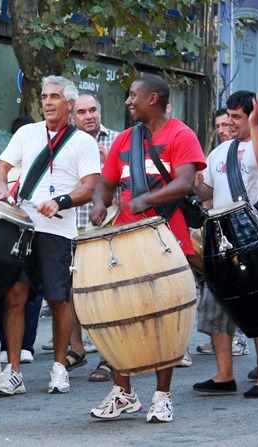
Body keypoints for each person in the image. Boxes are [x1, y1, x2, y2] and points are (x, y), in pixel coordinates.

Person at [88, 74, 206, 423]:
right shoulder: (124, 139)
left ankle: (162, 396)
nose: (128, 101)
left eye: (134, 96)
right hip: (125, 239)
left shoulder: (181, 135)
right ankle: (123, 392)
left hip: (167, 239)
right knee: (116, 316)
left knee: (163, 320)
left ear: (153, 99)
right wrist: (99, 204)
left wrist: (147, 199)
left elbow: (186, 183)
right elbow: (105, 183)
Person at [0, 75, 100, 396]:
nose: (48, 102)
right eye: (44, 96)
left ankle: (59, 368)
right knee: (14, 297)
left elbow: (89, 186)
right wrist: (0, 186)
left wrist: (61, 201)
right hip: (22, 227)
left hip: (59, 231)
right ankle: (13, 371)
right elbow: (1, 168)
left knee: (58, 300)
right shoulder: (27, 133)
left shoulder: (83, 142)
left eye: (55, 97)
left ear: (69, 104)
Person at [193, 91, 258, 399]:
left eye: (237, 117)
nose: (230, 123)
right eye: (228, 116)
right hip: (225, 237)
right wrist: (192, 180)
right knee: (215, 302)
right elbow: (208, 188)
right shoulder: (220, 152)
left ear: (251, 116)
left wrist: (257, 126)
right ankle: (224, 375)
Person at [69, 92, 120, 381]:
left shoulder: (117, 140)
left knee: (105, 294)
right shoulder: (65, 142)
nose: (88, 116)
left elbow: (128, 180)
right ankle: (77, 349)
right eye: (82, 112)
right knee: (73, 292)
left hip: (106, 226)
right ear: (72, 116)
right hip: (71, 225)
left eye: (93, 110)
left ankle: (108, 356)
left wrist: (107, 161)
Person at [196, 107, 249, 358]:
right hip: (221, 232)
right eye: (217, 126)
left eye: (225, 125)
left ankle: (241, 339)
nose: (221, 130)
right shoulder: (215, 155)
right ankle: (222, 343)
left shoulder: (253, 149)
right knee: (218, 290)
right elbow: (207, 195)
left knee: (244, 291)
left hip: (249, 232)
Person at [0, 115, 42, 365]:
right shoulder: (4, 168)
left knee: (34, 294)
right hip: (10, 235)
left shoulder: (45, 164)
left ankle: (27, 345)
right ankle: (6, 344)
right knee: (8, 290)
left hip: (40, 232)